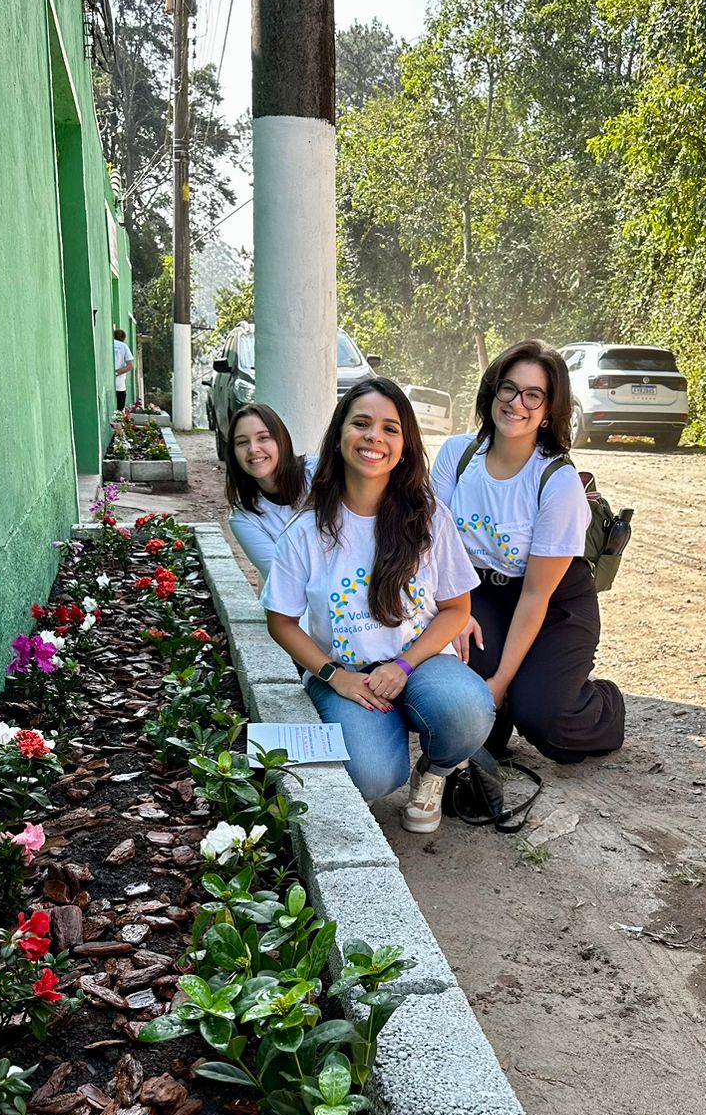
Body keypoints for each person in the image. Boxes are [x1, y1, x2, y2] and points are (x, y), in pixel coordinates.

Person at [263, 378, 495, 832]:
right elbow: (281, 621)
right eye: (361, 424)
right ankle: (383, 740)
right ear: (339, 436)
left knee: (467, 709)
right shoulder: (306, 530)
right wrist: (335, 676)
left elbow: (457, 608)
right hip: (348, 673)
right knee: (372, 775)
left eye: (391, 428)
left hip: (421, 663)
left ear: (405, 447)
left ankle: (435, 771)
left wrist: (404, 667)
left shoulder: (429, 516)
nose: (374, 437)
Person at [432, 339, 625, 763]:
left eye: (533, 395)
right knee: (472, 714)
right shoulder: (457, 455)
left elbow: (536, 595)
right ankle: (499, 713)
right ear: (492, 391)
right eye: (509, 388)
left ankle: (605, 706)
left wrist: (501, 682)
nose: (516, 403)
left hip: (552, 600)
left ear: (549, 410)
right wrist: (455, 611)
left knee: (547, 720)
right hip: (479, 590)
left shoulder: (557, 482)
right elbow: (433, 546)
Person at [225, 403, 313, 582]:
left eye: (263, 438)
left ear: (282, 440)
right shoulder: (243, 518)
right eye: (242, 442)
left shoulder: (319, 473)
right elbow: (283, 578)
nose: (253, 449)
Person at [113, 329, 134, 411]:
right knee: (119, 412)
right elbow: (130, 366)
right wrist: (116, 373)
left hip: (104, 383)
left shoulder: (106, 344)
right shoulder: (123, 346)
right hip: (119, 385)